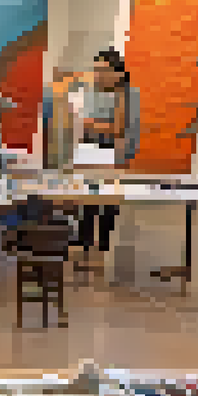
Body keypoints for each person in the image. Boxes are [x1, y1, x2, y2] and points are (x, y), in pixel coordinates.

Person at [74, 49, 140, 253]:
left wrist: (89, 124)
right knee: (87, 198)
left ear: (117, 72)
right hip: (91, 149)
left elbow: (117, 129)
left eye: (103, 70)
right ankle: (85, 239)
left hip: (111, 152)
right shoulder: (93, 92)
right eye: (95, 70)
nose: (98, 75)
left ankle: (105, 243)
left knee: (108, 200)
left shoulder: (125, 93)